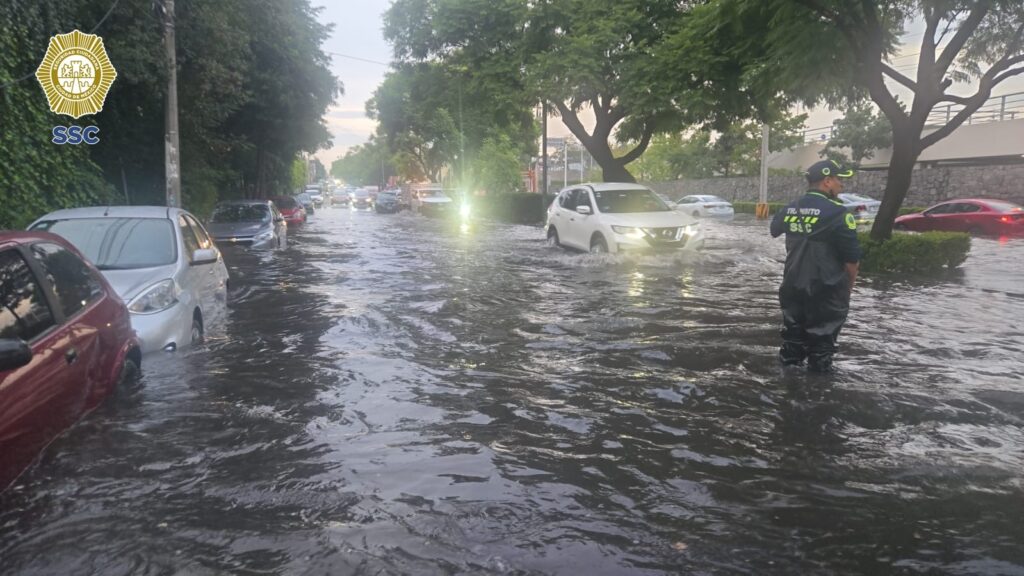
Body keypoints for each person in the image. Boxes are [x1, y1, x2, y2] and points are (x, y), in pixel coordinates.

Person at [769, 159, 861, 373]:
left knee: (792, 346)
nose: (842, 185)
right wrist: (847, 290)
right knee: (821, 352)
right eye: (839, 180)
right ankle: (817, 398)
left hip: (792, 287)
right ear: (827, 181)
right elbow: (851, 261)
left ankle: (786, 391)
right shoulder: (839, 213)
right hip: (827, 291)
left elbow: (774, 230)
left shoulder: (791, 207)